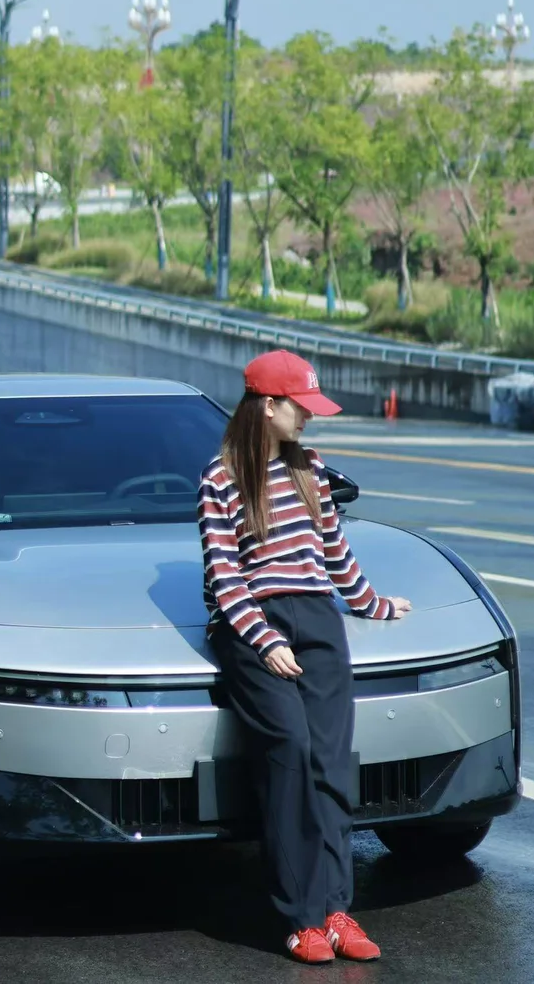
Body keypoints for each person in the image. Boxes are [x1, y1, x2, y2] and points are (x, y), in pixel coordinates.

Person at [197, 349, 411, 965]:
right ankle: (300, 918)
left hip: (318, 618)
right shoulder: (220, 479)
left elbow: (335, 553)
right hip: (252, 624)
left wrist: (372, 604)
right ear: (268, 406)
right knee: (289, 750)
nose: (309, 417)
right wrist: (265, 641)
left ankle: (337, 910)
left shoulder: (310, 468)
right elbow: (225, 575)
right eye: (301, 407)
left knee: (330, 762)